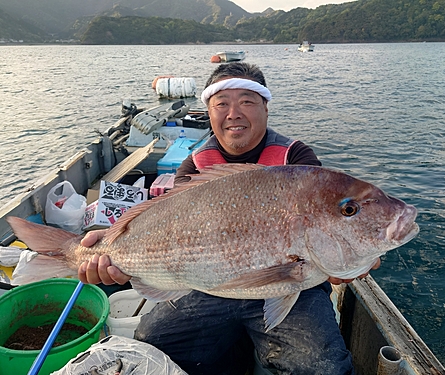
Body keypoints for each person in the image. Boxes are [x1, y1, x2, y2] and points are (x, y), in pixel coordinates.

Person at [78, 62, 381, 375]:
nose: (234, 113)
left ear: (266, 107)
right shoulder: (193, 167)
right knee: (153, 342)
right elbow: (165, 234)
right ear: (209, 113)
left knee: (323, 367)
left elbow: (331, 222)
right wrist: (113, 256)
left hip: (294, 286)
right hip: (210, 286)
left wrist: (351, 258)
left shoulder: (297, 160)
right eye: (221, 104)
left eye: (247, 101)